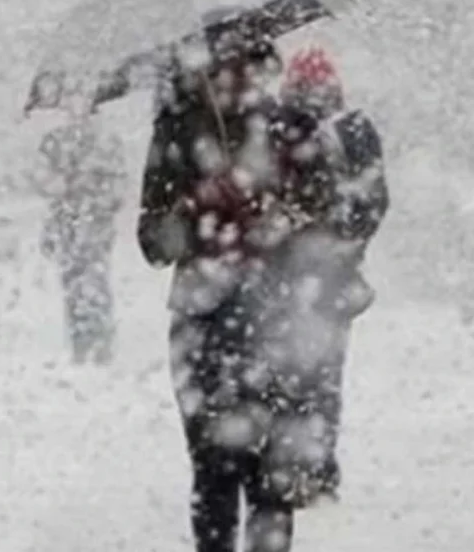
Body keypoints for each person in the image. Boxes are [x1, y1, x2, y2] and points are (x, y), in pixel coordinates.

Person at [136, 32, 388, 552]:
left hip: (276, 314)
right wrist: (198, 207)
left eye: (249, 67)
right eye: (224, 68)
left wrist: (279, 216)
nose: (238, 79)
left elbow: (329, 214)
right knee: (212, 469)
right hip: (203, 318)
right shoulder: (177, 134)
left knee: (272, 476)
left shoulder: (288, 127)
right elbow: (153, 242)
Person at [32, 80, 127, 365]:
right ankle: (80, 343)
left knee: (96, 280)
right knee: (72, 282)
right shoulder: (53, 141)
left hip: (96, 222)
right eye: (71, 99)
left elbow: (118, 184)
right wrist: (66, 186)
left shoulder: (107, 142)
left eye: (83, 99)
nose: (77, 106)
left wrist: (99, 195)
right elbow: (42, 179)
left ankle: (101, 342)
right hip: (66, 221)